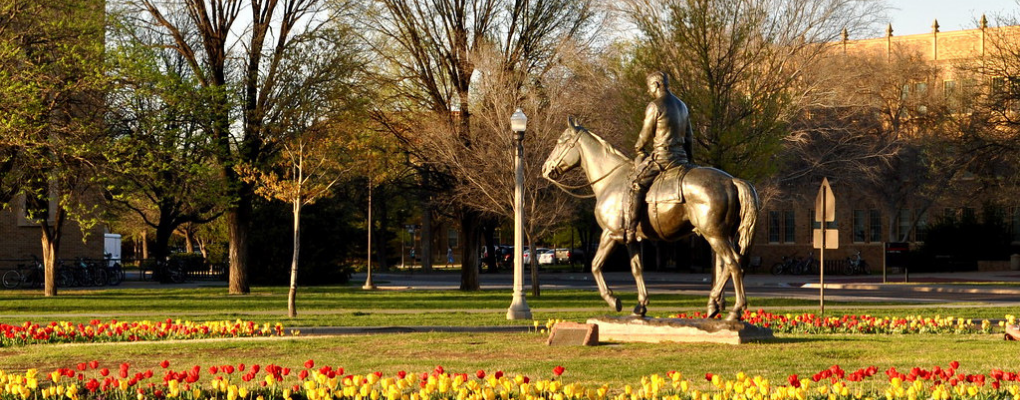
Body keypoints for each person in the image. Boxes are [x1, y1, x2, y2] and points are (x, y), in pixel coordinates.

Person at [623, 71, 694, 243]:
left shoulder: (655, 106)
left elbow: (645, 134)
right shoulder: (682, 105)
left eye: (649, 87)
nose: (649, 91)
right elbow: (689, 137)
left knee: (635, 184)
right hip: (681, 159)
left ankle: (630, 230)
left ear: (655, 84)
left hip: (663, 158)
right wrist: (690, 160)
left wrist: (638, 147)